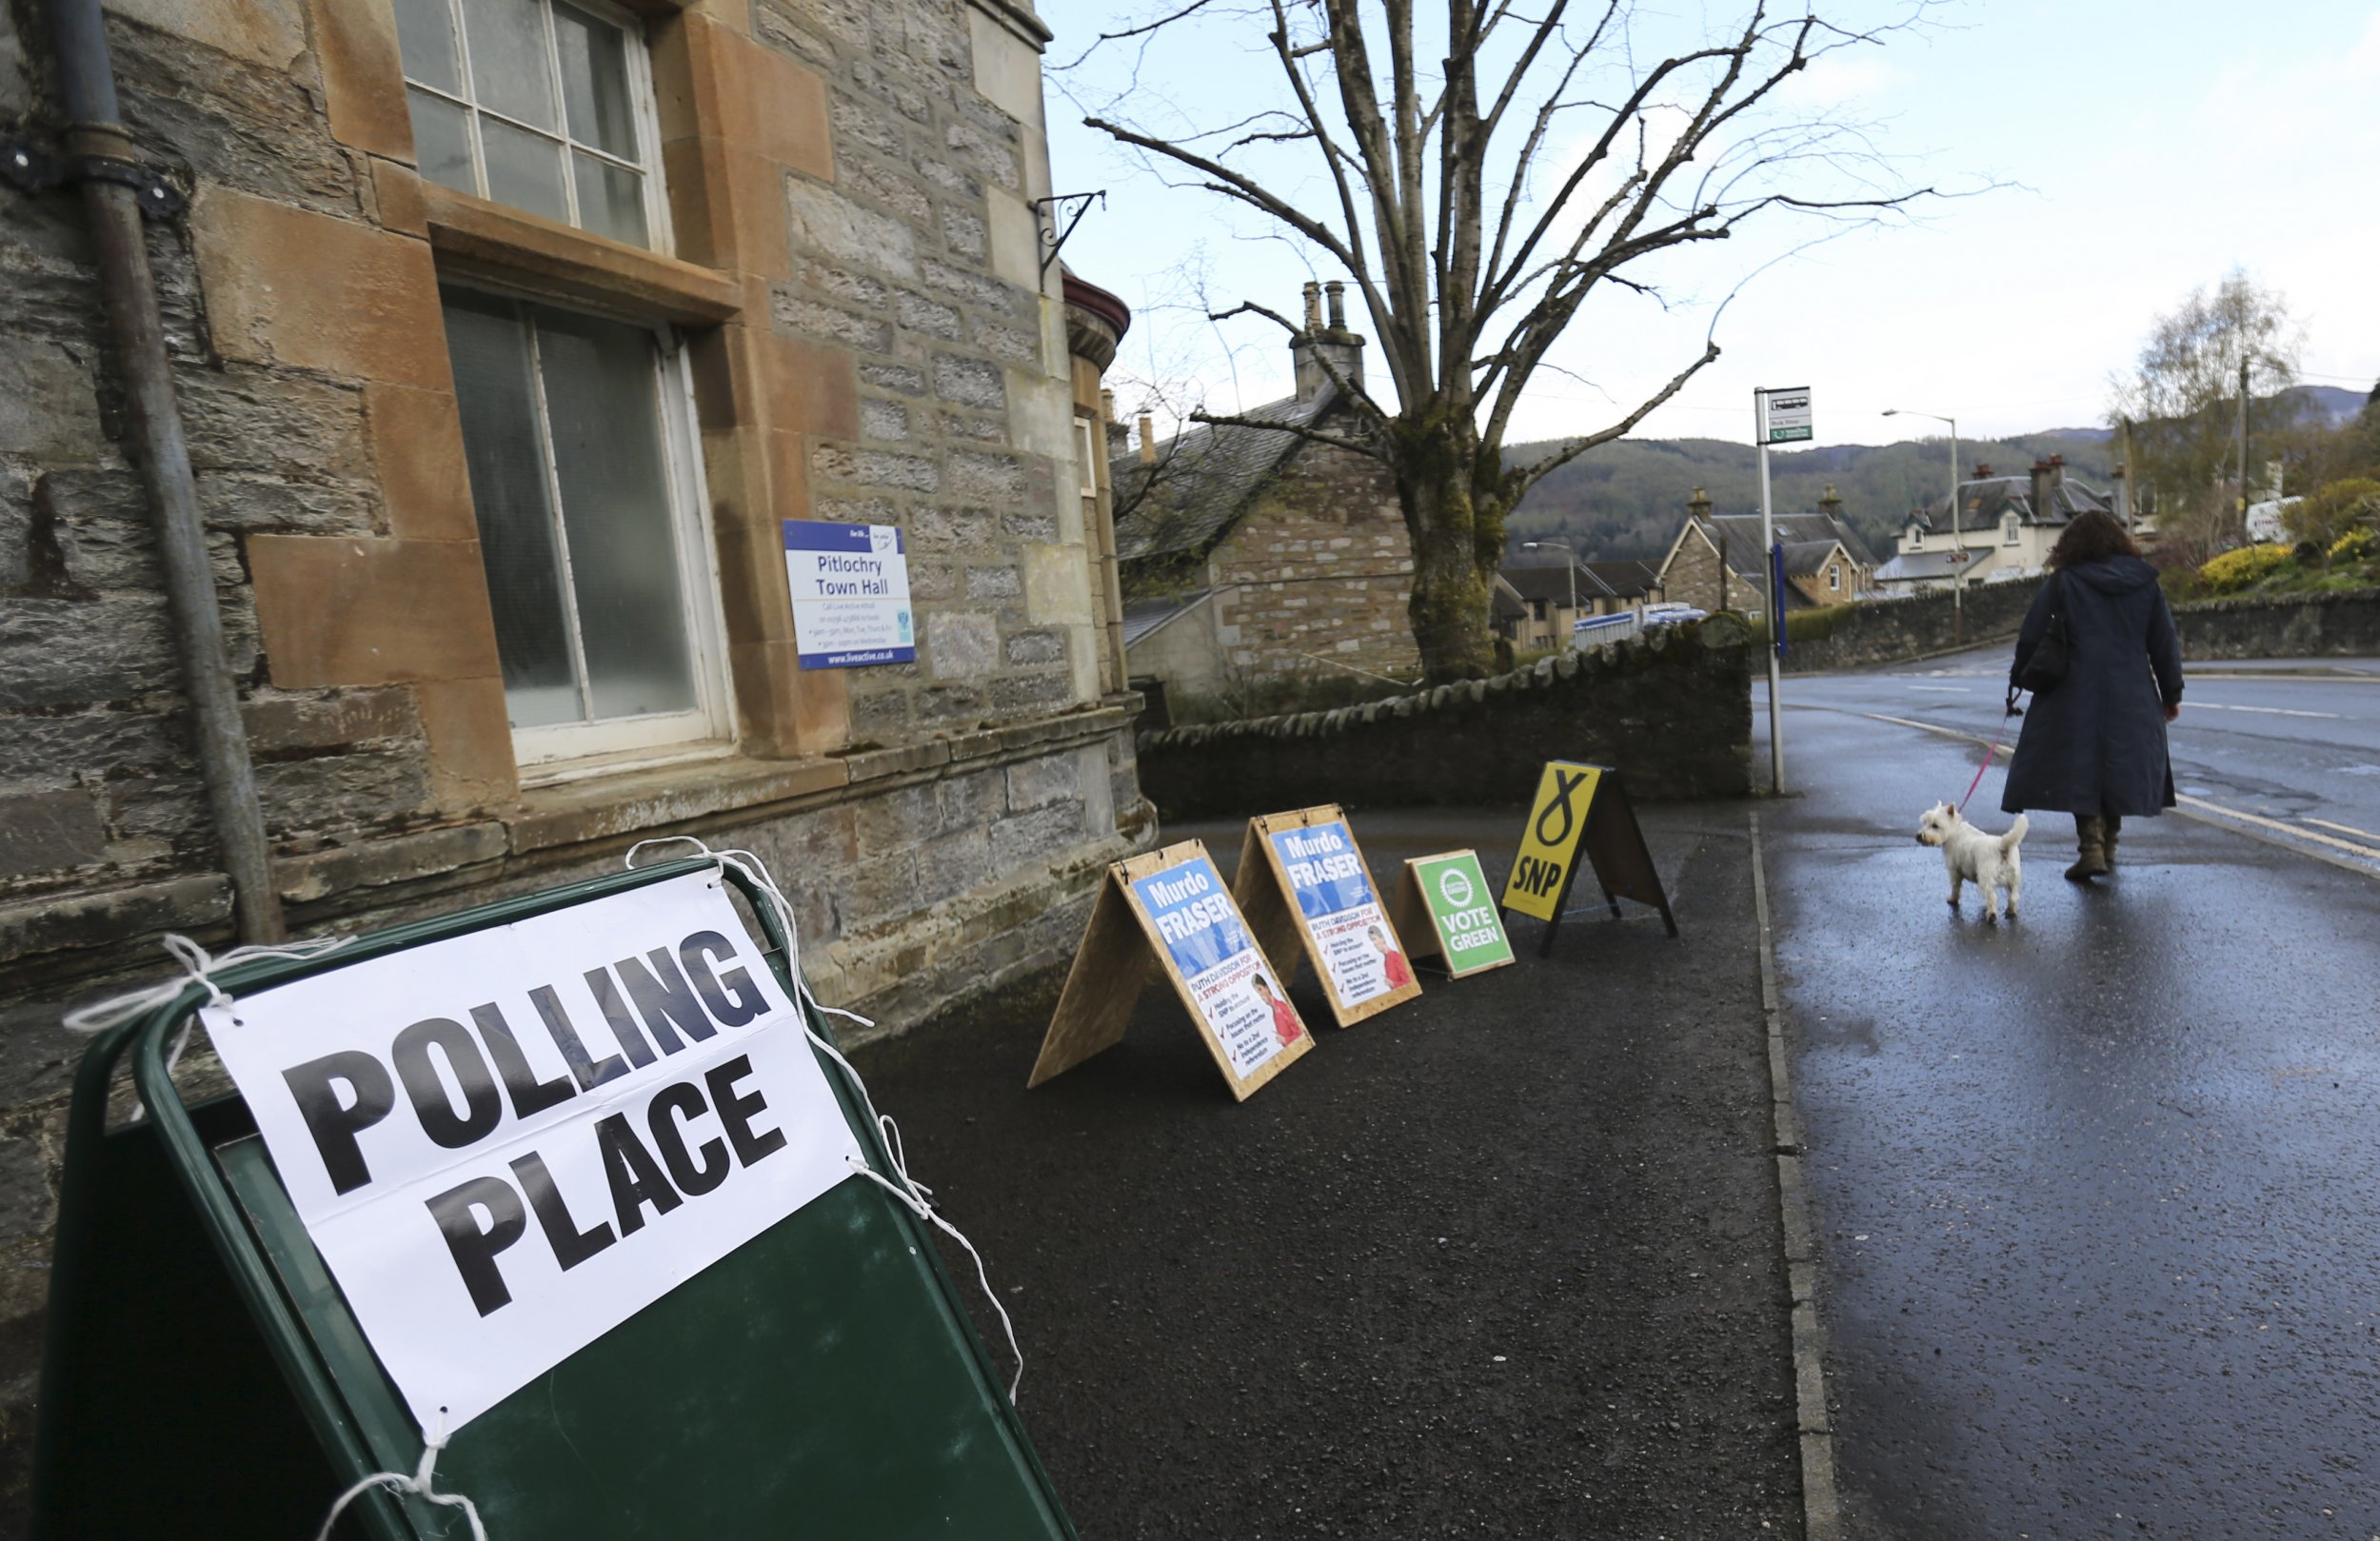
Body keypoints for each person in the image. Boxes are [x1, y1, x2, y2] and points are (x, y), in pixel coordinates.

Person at [2000, 509, 2184, 880]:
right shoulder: (2146, 583)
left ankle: (2091, 848)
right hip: (2132, 689)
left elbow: (2032, 634)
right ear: (2119, 540)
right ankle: (2109, 845)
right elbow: (2164, 643)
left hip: (2073, 688)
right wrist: (2171, 692)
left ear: (2072, 544)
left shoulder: (2065, 582)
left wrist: (2021, 678)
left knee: (2081, 766)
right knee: (2116, 765)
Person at [1251, 974, 1301, 1046]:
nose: (1260, 995)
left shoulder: (1281, 1006)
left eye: (1260, 989)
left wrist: (1285, 1040)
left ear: (1267, 987)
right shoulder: (1274, 1012)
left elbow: (1300, 1033)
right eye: (1257, 992)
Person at [1365, 923, 1412, 989]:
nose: (1374, 943)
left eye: (1374, 939)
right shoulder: (1386, 960)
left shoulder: (1395, 956)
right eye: (1372, 941)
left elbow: (1409, 982)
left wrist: (1393, 984)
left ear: (1382, 938)